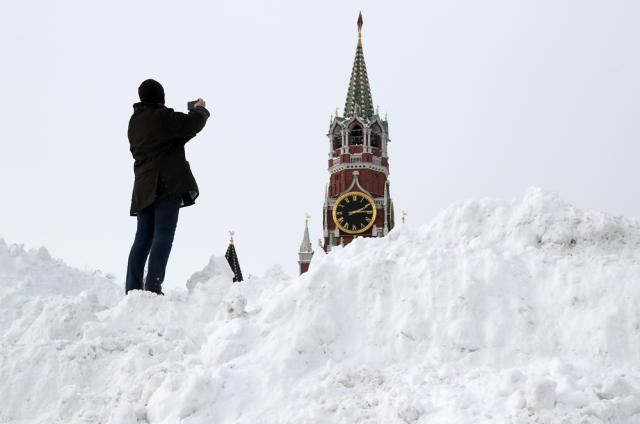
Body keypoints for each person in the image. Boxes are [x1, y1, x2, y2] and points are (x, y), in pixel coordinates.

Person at [125, 79, 210, 295]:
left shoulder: (135, 122)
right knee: (163, 235)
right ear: (160, 97)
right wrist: (200, 110)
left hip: (144, 188)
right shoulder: (162, 117)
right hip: (166, 184)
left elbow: (173, 136)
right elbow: (191, 125)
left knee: (142, 239)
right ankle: (153, 287)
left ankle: (132, 288)